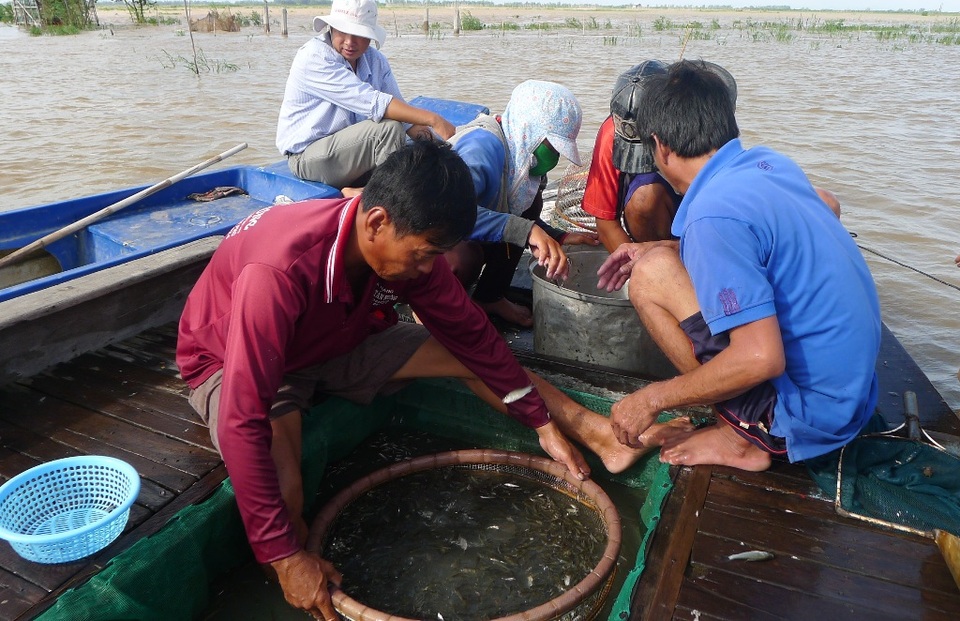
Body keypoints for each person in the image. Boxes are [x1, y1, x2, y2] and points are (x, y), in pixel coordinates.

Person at [177, 141, 680, 619]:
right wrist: (285, 557)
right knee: (286, 491)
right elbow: (244, 417)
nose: (430, 267)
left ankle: (595, 433)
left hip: (335, 338)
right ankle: (300, 587)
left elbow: (475, 340)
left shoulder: (405, 250)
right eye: (423, 254)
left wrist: (539, 423)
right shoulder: (277, 272)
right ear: (377, 221)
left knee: (466, 354)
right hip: (236, 360)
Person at [596, 60, 881, 472]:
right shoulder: (770, 164)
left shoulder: (711, 216)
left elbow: (763, 359)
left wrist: (651, 398)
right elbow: (822, 204)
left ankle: (741, 436)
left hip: (805, 420)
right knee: (658, 259)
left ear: (661, 147)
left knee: (650, 277)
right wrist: (663, 245)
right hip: (851, 396)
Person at [583, 60, 840, 254]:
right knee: (645, 200)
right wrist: (639, 264)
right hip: (668, 218)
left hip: (711, 217)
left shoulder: (704, 141)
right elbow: (606, 223)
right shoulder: (615, 131)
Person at [444, 80, 599, 327]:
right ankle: (442, 310)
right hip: (444, 234)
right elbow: (448, 213)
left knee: (531, 207)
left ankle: (490, 296)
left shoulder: (526, 162)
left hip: (475, 228)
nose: (555, 156)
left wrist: (557, 236)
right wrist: (527, 231)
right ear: (530, 129)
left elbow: (523, 218)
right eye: (552, 145)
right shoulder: (482, 147)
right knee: (463, 257)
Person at [275, 0, 455, 189]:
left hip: (352, 152)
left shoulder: (375, 60)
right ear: (331, 28)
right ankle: (382, 196)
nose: (350, 42)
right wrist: (434, 120)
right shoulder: (314, 57)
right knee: (388, 130)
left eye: (359, 35)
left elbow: (405, 119)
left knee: (416, 151)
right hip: (308, 158)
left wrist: (446, 144)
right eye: (342, 32)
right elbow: (377, 104)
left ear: (369, 36)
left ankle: (359, 189)